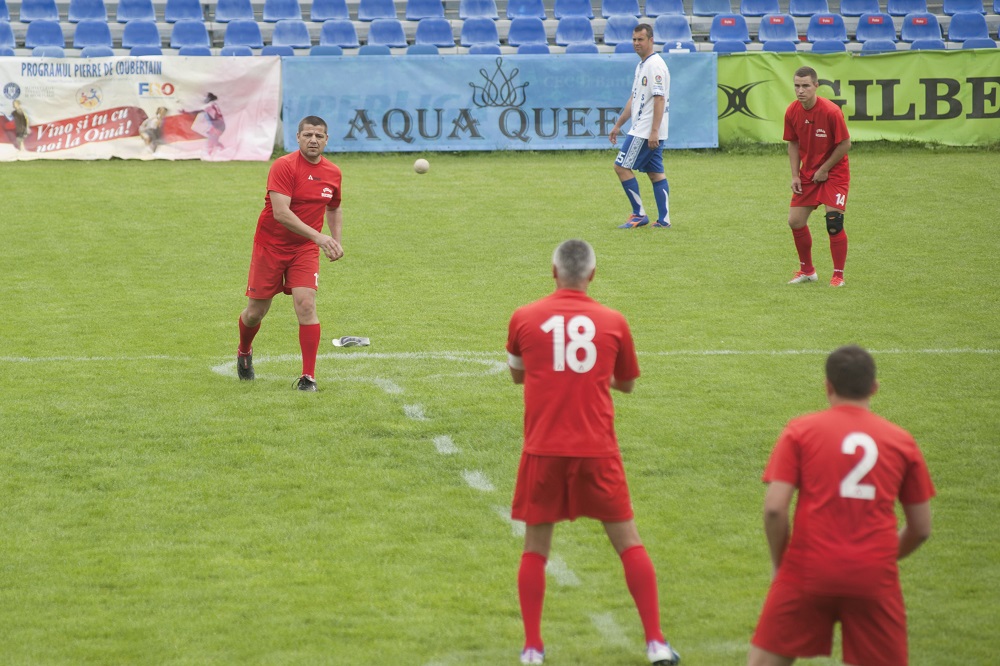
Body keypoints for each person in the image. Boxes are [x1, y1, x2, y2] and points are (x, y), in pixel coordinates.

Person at [506, 239, 680, 666]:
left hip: (543, 449)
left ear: (553, 272)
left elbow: (516, 375)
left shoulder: (524, 317)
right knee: (628, 543)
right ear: (592, 275)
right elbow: (627, 384)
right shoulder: (613, 321)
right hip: (597, 449)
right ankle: (656, 642)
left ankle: (532, 649)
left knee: (535, 547)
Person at [748, 345, 935, 666]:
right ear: (874, 388)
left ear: (828, 386)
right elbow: (921, 528)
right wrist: (880, 558)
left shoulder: (801, 431)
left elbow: (775, 508)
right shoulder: (901, 441)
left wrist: (781, 564)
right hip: (874, 578)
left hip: (807, 570)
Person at [236, 116, 344, 392]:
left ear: (326, 140)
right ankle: (244, 351)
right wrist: (319, 236)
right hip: (270, 246)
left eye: (319, 136)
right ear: (297, 138)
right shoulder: (284, 166)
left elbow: (333, 207)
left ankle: (308, 377)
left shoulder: (333, 172)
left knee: (306, 304)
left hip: (304, 249)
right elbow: (282, 213)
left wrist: (335, 241)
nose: (313, 140)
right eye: (308, 135)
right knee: (255, 312)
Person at [783, 66, 851, 287]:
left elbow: (845, 144)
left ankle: (838, 275)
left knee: (834, 223)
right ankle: (807, 271)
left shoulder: (831, 112)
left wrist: (825, 169)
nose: (800, 90)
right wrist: (795, 175)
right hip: (808, 173)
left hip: (834, 173)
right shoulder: (792, 111)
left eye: (805, 86)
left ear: (816, 86)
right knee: (795, 221)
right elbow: (793, 143)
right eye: (797, 86)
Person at [609, 23, 671, 230]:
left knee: (621, 167)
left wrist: (654, 131)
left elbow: (660, 99)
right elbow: (634, 99)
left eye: (640, 39)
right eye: (634, 39)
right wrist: (618, 124)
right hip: (647, 129)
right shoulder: (642, 65)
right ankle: (664, 220)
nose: (636, 43)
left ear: (651, 40)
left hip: (646, 131)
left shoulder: (655, 65)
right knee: (655, 174)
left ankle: (639, 214)